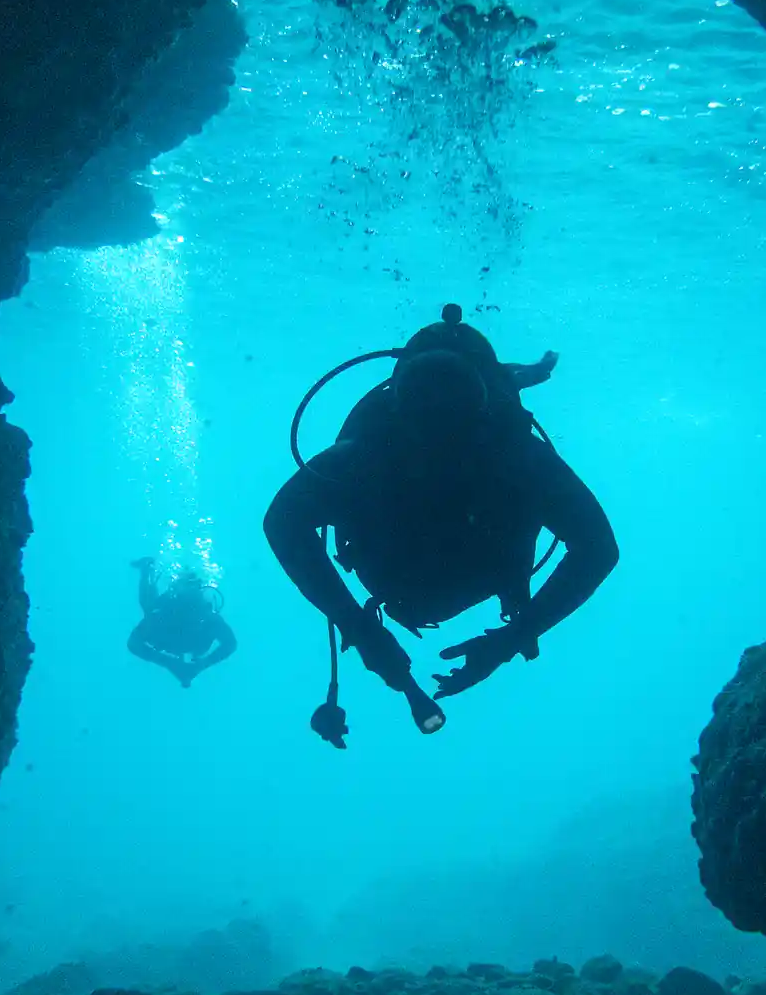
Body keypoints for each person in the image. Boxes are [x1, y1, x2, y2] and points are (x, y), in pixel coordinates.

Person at [264, 305, 617, 719]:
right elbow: (282, 523)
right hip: (457, 566)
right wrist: (359, 629)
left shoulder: (512, 455)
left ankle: (523, 373)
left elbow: (599, 548)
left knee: (515, 379)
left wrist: (360, 628)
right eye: (430, 425)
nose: (440, 445)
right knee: (514, 379)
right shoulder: (370, 454)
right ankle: (523, 373)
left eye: (451, 426)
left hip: (422, 570)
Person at [126, 557, 237, 688]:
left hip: (173, 641)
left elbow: (230, 644)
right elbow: (134, 643)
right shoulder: (162, 613)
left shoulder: (209, 618)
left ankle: (147, 569)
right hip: (169, 638)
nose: (188, 606)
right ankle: (146, 569)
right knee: (149, 607)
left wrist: (200, 665)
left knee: (149, 607)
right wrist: (170, 663)